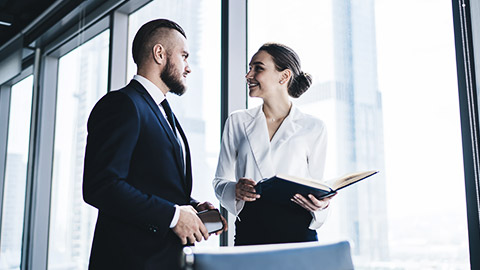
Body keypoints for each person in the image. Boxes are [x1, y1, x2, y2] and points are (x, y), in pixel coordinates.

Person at [83, 19, 226, 270]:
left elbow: (152, 184)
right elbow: (102, 185)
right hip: (130, 261)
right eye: (184, 56)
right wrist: (173, 216)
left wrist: (191, 207)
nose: (188, 67)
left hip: (163, 259)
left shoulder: (162, 110)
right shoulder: (122, 105)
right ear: (160, 54)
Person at [213, 43, 333, 245]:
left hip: (298, 235)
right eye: (249, 68)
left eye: (258, 68)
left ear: (284, 77)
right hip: (251, 232)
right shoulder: (237, 121)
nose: (248, 75)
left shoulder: (314, 127)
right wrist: (235, 189)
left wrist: (321, 203)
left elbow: (317, 187)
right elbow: (219, 181)